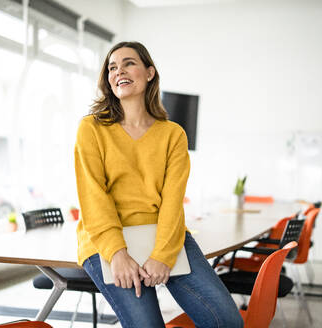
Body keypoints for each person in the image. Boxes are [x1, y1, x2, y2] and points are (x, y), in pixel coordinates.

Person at [74, 41, 243, 328]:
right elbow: (93, 197)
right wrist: (118, 254)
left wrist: (163, 256)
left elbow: (172, 202)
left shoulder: (173, 135)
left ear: (149, 72)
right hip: (108, 241)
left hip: (164, 235)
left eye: (129, 63)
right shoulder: (91, 128)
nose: (119, 71)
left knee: (226, 321)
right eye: (112, 67)